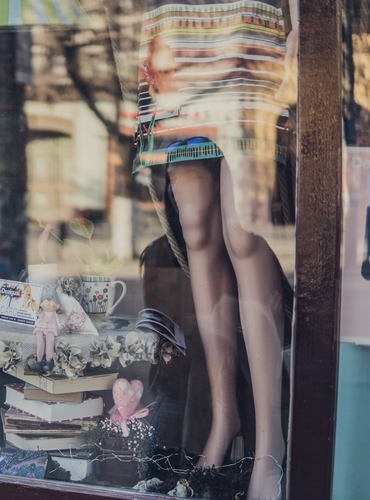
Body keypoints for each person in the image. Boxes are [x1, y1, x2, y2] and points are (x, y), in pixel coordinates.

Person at [132, 1, 297, 499]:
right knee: (197, 224)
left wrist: (300, 21)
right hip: (176, 26)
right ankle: (224, 421)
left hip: (249, 18)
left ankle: (271, 443)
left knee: (243, 227)